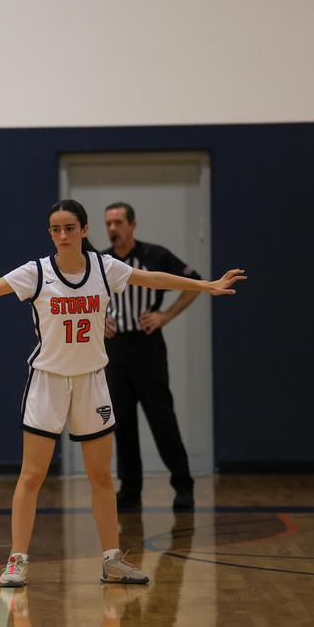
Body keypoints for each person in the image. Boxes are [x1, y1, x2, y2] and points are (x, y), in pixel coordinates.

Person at [0, 200, 245, 586]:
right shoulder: (36, 272)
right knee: (32, 475)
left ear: (85, 230)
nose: (63, 235)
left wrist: (205, 286)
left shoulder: (105, 268)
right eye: (56, 229)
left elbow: (153, 279)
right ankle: (17, 559)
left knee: (101, 476)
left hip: (91, 381)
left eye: (70, 228)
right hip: (48, 382)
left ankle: (111, 559)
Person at [102, 202, 202, 511]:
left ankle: (183, 485)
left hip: (147, 347)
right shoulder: (102, 262)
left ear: (133, 225)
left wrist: (165, 315)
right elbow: (85, 297)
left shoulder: (155, 256)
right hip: (115, 349)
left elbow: (193, 283)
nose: (113, 228)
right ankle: (130, 490)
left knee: (161, 417)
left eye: (119, 222)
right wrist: (98, 320)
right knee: (122, 422)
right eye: (108, 223)